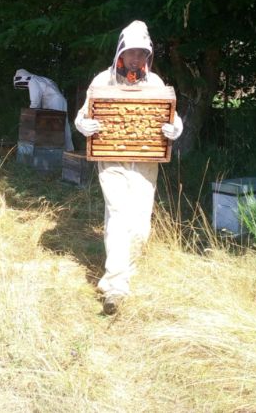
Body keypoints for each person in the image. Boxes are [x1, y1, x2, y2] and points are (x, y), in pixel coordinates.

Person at [74, 20, 183, 315]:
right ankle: (116, 286)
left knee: (139, 224)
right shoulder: (102, 80)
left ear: (148, 56)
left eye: (141, 53)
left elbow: (172, 117)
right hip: (111, 159)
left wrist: (175, 129)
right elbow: (82, 115)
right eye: (132, 52)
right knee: (119, 214)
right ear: (120, 52)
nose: (136, 59)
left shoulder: (155, 83)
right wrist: (84, 125)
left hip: (145, 163)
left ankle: (125, 271)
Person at [13, 69, 75, 151]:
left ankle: (56, 150)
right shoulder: (40, 78)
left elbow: (35, 100)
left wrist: (29, 114)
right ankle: (68, 149)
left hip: (54, 102)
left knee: (54, 126)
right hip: (60, 100)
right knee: (63, 125)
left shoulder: (32, 80)